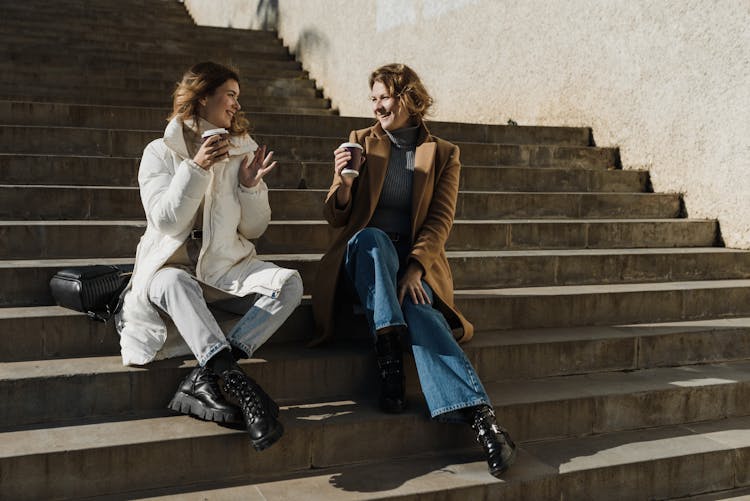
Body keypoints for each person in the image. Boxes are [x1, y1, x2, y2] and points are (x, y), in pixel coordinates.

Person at [311, 63, 516, 477]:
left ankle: (484, 421)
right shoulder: (360, 141)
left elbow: (440, 219)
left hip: (411, 263)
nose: (376, 107)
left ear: (406, 97)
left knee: (422, 313)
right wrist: (344, 182)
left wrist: (417, 268)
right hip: (367, 261)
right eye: (372, 99)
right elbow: (337, 216)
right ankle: (389, 349)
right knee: (371, 240)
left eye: (384, 97)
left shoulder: (443, 153)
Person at [116, 61, 303, 452]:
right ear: (203, 97)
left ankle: (208, 374)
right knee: (173, 279)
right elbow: (166, 222)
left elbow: (252, 231)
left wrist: (251, 188)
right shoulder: (159, 153)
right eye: (230, 94)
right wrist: (196, 167)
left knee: (290, 285)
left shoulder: (241, 152)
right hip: (173, 274)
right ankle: (236, 382)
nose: (236, 104)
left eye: (238, 97)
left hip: (224, 272)